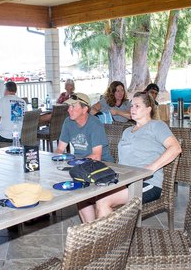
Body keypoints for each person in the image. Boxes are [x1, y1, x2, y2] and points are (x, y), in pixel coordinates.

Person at [85, 92, 181, 223]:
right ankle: (91, 233)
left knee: (103, 201)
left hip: (147, 183)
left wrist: (151, 169)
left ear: (148, 109)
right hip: (124, 180)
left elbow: (175, 148)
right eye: (131, 106)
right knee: (84, 196)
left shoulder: (156, 126)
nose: (133, 109)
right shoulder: (127, 131)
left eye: (137, 106)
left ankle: (111, 242)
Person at [54, 92, 113, 223]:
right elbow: (59, 149)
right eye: (68, 107)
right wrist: (55, 162)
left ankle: (92, 227)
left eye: (73, 107)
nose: (69, 110)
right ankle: (90, 228)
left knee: (79, 190)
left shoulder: (95, 124)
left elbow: (97, 156)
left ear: (85, 108)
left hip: (102, 166)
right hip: (80, 166)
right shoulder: (68, 122)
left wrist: (73, 164)